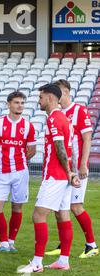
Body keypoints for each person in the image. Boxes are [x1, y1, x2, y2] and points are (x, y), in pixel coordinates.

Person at [17, 84, 80, 273]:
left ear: (51, 98)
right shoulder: (64, 118)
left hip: (55, 175)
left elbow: (60, 147)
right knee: (62, 215)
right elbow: (70, 149)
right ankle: (63, 260)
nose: (39, 101)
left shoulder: (54, 118)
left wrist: (68, 172)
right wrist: (72, 171)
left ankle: (36, 263)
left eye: (41, 97)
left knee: (38, 215)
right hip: (64, 175)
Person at [45, 79, 98, 258]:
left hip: (77, 168)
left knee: (75, 206)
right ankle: (63, 246)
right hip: (63, 169)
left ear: (66, 92)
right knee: (60, 209)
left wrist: (83, 163)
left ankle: (91, 245)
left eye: (60, 91)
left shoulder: (79, 110)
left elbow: (87, 139)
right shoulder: (57, 113)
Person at [0, 91, 37, 253]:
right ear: (8, 104)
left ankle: (11, 241)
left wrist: (19, 161)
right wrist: (1, 159)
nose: (20, 105)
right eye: (16, 102)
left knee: (17, 207)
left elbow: (32, 150)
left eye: (22, 103)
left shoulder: (28, 126)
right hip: (2, 172)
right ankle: (3, 243)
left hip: (21, 173)